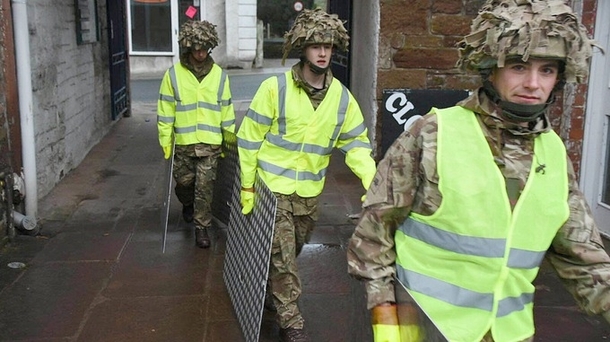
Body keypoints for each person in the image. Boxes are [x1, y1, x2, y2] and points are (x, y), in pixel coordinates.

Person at [347, 0, 610, 341]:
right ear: (490, 68)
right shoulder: (433, 134)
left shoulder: (554, 153)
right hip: (430, 329)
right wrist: (384, 320)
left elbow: (583, 258)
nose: (533, 83)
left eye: (547, 70)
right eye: (518, 66)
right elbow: (374, 231)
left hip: (510, 334)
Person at [237, 8, 376, 342]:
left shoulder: (342, 98)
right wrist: (247, 186)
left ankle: (274, 292)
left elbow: (356, 144)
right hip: (272, 189)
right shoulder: (275, 89)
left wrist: (374, 183)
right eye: (316, 46)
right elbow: (249, 138)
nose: (323, 52)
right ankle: (292, 322)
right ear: (302, 48)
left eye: (328, 46)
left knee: (291, 250)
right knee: (283, 259)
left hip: (309, 195)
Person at [157, 20, 235, 249]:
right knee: (184, 184)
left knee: (205, 187)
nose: (200, 53)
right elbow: (165, 111)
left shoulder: (220, 76)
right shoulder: (173, 76)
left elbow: (227, 110)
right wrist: (165, 141)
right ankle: (187, 204)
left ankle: (202, 228)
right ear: (188, 47)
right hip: (183, 144)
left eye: (204, 48)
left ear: (210, 47)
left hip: (211, 144)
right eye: (196, 48)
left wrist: (229, 143)